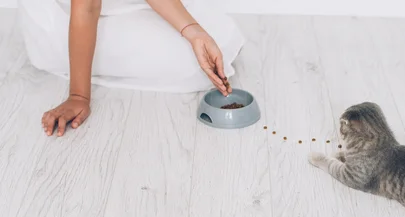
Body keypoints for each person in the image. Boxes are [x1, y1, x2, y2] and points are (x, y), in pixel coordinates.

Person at [18, 0, 245, 136]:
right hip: (73, 11)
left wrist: (194, 32)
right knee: (185, 63)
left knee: (214, 39)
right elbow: (86, 7)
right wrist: (78, 95)